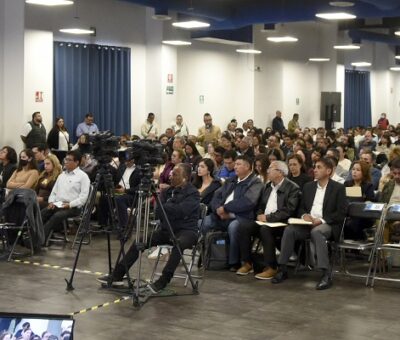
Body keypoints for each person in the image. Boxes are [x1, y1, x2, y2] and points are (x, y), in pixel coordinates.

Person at [97, 163, 200, 293]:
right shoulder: (167, 191)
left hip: (186, 231)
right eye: (171, 173)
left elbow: (181, 211)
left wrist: (166, 206)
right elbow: (157, 211)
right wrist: (168, 207)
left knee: (178, 245)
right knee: (140, 240)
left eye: (175, 174)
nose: (170, 176)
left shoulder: (193, 193)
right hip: (166, 230)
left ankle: (164, 280)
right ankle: (117, 274)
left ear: (185, 177)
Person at [272, 157, 347, 290]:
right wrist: (304, 215)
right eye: (315, 167)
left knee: (317, 232)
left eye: (319, 167)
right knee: (290, 230)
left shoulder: (338, 188)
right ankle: (282, 268)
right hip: (308, 223)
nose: (315, 170)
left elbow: (341, 212)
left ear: (328, 171)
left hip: (328, 223)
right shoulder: (308, 186)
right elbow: (301, 207)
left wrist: (322, 220)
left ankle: (325, 274)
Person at [236, 161, 301, 277]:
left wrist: (268, 218)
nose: (267, 171)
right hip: (265, 220)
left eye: (271, 168)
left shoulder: (293, 188)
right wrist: (260, 214)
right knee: (243, 226)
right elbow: (260, 205)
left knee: (265, 229)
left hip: (282, 223)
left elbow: (289, 210)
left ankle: (272, 267)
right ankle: (247, 263)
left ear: (280, 172)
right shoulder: (267, 186)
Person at [202, 155, 263, 270]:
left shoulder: (255, 183)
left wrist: (226, 208)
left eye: (238, 164)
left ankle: (233, 262)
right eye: (235, 164)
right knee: (203, 223)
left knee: (234, 227)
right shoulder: (231, 180)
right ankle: (207, 256)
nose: (235, 167)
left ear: (248, 166)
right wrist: (218, 210)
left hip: (242, 217)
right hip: (220, 215)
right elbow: (216, 196)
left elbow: (248, 202)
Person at [41, 150, 90, 243]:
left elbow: (83, 198)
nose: (65, 162)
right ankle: (32, 236)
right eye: (65, 159)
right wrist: (51, 202)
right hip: (58, 204)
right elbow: (54, 192)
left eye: (69, 160)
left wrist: (70, 204)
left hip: (73, 207)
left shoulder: (83, 177)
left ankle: (41, 239)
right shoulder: (62, 175)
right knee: (43, 213)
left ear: (76, 162)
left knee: (57, 216)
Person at [344, 160, 375, 240]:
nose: (354, 172)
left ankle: (355, 246)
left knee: (353, 223)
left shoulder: (368, 186)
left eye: (358, 170)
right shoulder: (347, 184)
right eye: (353, 169)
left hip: (363, 216)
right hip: (348, 214)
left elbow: (369, 202)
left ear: (364, 172)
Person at [378, 158, 400, 243]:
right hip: (389, 215)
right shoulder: (389, 185)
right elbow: (382, 203)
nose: (397, 176)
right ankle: (384, 254)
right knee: (380, 223)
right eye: (394, 173)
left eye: (399, 173)